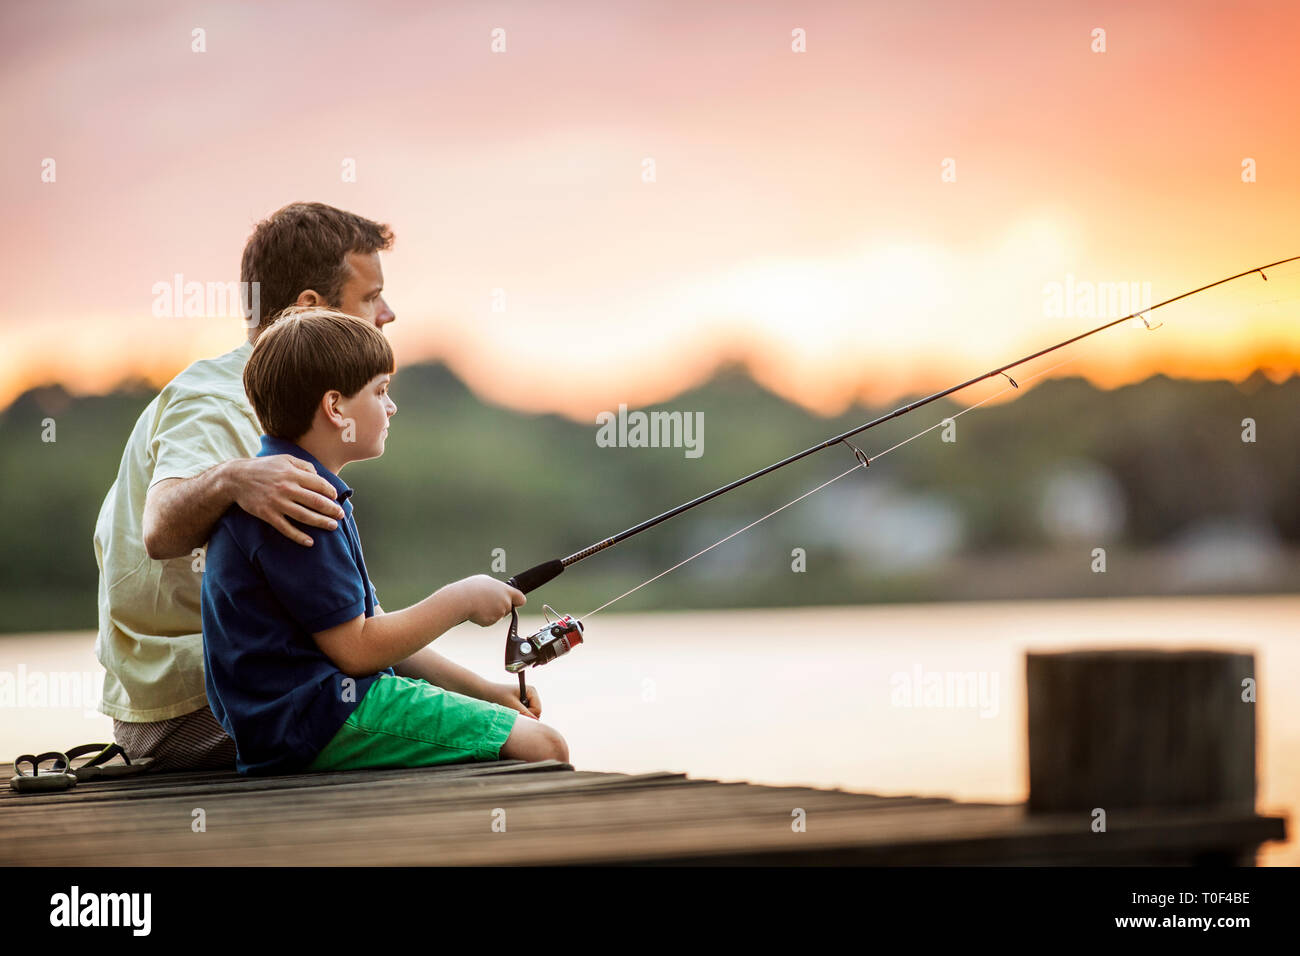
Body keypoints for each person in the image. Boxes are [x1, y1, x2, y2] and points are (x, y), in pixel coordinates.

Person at [93, 202, 542, 771]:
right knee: (497, 748)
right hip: (197, 709)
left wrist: (481, 689)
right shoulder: (218, 402)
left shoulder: (289, 423)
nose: (388, 313)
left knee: (481, 727)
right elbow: (159, 528)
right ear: (309, 308)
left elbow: (361, 626)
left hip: (279, 686)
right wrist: (237, 477)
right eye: (370, 296)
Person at [201, 308, 568, 774]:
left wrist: (485, 691)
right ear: (335, 408)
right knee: (545, 747)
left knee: (515, 739)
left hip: (301, 721)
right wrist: (462, 599)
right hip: (320, 720)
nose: (391, 406)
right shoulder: (302, 499)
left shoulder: (286, 483)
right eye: (380, 391)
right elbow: (358, 650)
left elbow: (374, 630)